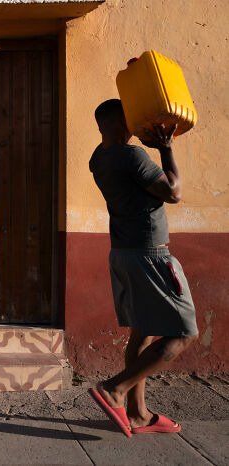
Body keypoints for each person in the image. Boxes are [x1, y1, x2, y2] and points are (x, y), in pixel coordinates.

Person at [87, 99, 199, 436]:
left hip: (122, 254)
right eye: (132, 118)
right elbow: (174, 192)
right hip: (150, 255)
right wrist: (165, 150)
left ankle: (138, 414)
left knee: (142, 331)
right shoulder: (131, 156)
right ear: (122, 123)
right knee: (184, 334)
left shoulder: (98, 157)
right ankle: (115, 389)